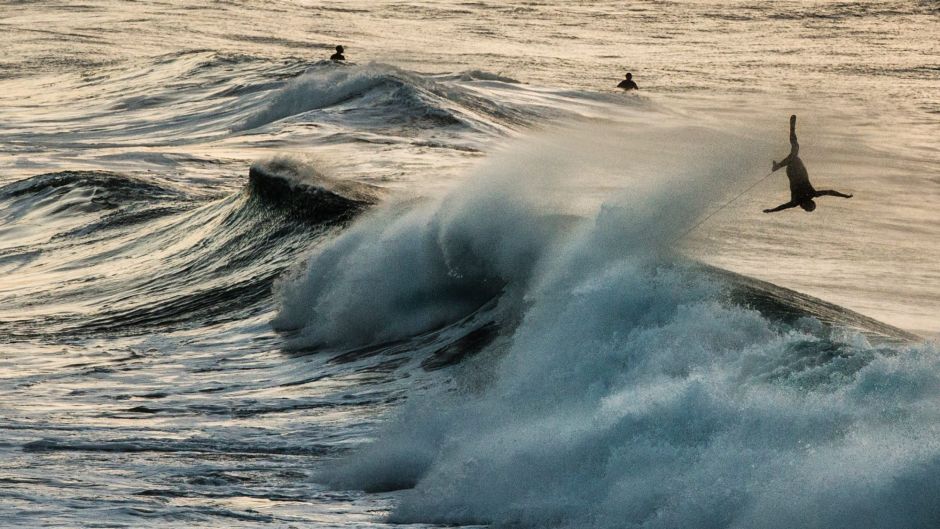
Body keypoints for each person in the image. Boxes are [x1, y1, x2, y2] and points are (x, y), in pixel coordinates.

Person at [763, 114, 852, 213]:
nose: (802, 207)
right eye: (805, 207)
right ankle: (778, 165)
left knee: (795, 151)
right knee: (794, 153)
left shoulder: (804, 197)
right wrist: (771, 211)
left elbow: (782, 207)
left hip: (796, 168)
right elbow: (830, 192)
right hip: (794, 169)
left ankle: (791, 130)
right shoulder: (804, 197)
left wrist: (845, 196)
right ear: (806, 204)